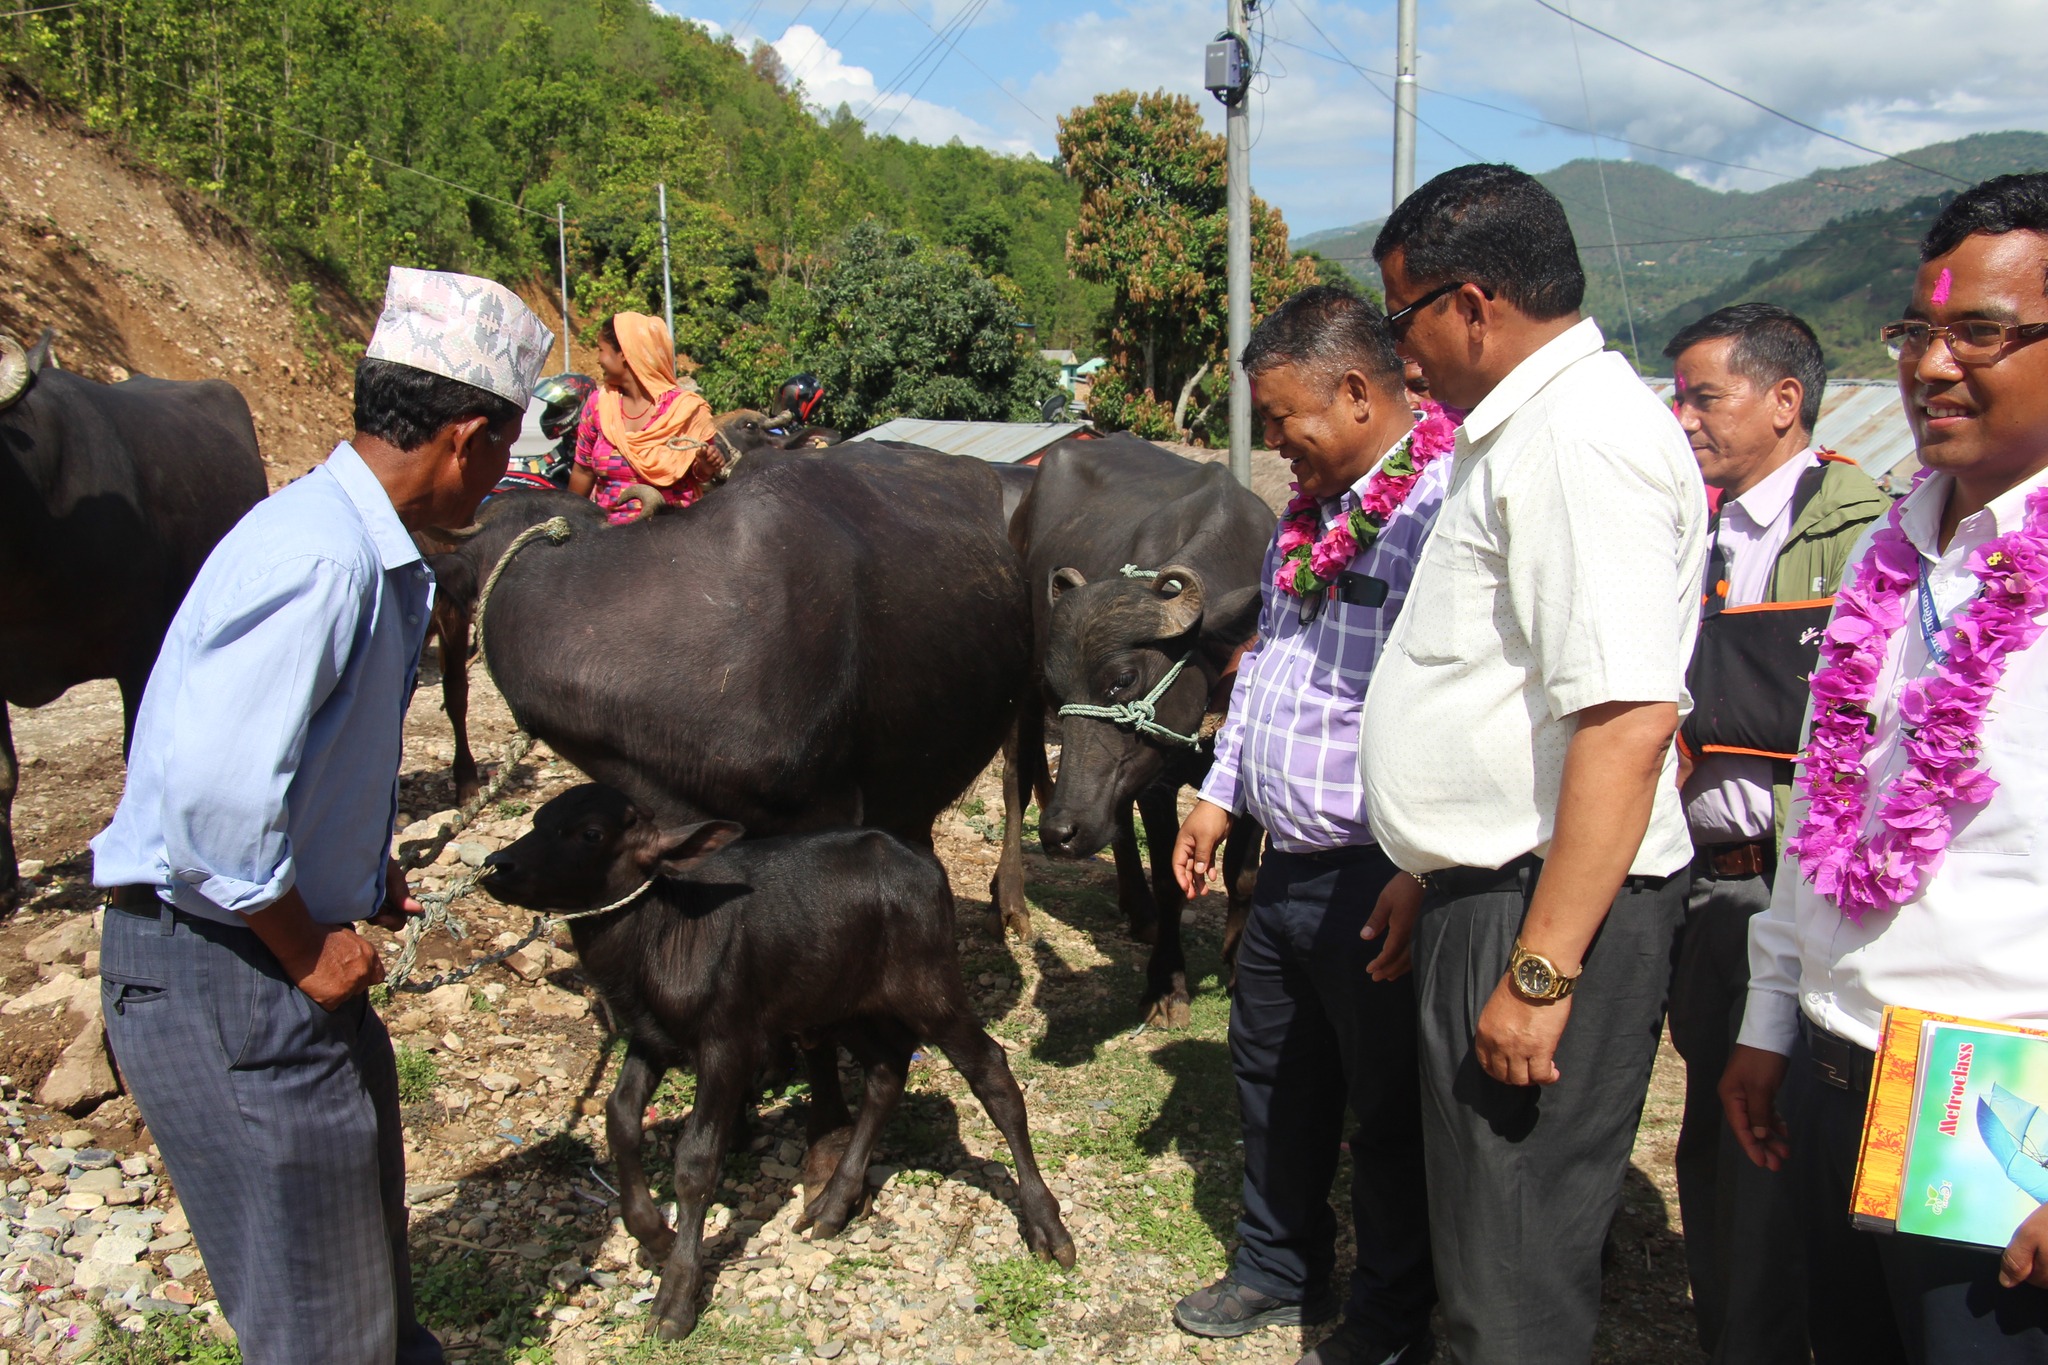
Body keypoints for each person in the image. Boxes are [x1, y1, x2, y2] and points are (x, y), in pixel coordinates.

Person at [91, 267, 553, 1365]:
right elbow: (212, 796)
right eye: (505, 449)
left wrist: (349, 864)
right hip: (227, 969)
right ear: (467, 439)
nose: (504, 473)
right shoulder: (320, 559)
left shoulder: (357, 546)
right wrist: (305, 942)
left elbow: (286, 755)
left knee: (363, 1295)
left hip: (261, 955)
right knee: (322, 1329)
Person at [1357, 163, 1708, 1365]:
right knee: (1480, 1246)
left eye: (1401, 319)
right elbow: (1510, 698)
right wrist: (1430, 869)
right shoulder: (1525, 433)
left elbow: (1623, 722)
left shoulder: (1576, 441)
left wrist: (1540, 971)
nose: (1401, 356)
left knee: (1507, 1279)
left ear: (1469, 304)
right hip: (1501, 892)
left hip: (1541, 911)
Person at [1722, 173, 2048, 1363]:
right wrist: (1769, 1017)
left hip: (2002, 1114)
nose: (1929, 366)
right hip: (1839, 1065)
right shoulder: (1886, 548)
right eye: (1916, 331)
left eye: (1979, 333)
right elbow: (1823, 805)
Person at [1168, 286, 1447, 1365]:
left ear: (1358, 392)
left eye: (1285, 419)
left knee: (1385, 1107)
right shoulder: (1306, 518)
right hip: (1285, 861)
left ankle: (1388, 1312)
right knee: (1272, 1074)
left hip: (1378, 869)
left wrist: (1424, 866)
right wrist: (1218, 792)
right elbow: (1271, 671)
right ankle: (1278, 1264)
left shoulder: (1436, 515)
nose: (1275, 443)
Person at [1662, 303, 1888, 1364]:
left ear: (1784, 401)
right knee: (1717, 1132)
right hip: (1700, 889)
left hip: (1795, 895)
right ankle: (1731, 1334)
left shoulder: (1869, 538)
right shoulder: (1684, 524)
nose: (1684, 418)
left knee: (1786, 1150)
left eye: (1704, 397)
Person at [568, 311, 720, 523]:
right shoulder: (598, 405)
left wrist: (707, 466)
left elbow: (701, 476)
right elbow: (583, 472)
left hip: (672, 532)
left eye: (601, 350)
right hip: (610, 536)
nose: (598, 359)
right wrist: (567, 521)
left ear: (624, 353)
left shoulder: (686, 411)